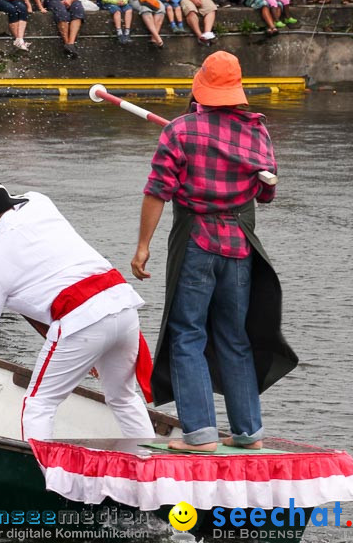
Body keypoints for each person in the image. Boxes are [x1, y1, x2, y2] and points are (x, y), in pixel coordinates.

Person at [132, 51, 295, 451]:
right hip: (239, 248)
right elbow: (267, 192)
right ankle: (248, 433)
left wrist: (142, 248)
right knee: (232, 336)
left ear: (201, 87)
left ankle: (201, 435)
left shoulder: (181, 131)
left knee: (187, 334)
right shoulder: (258, 132)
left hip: (196, 242)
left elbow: (158, 193)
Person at [0, 177, 155, 441]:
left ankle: (45, 479)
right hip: (123, 307)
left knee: (38, 405)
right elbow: (3, 200)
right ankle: (153, 469)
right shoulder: (40, 205)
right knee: (123, 397)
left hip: (83, 322)